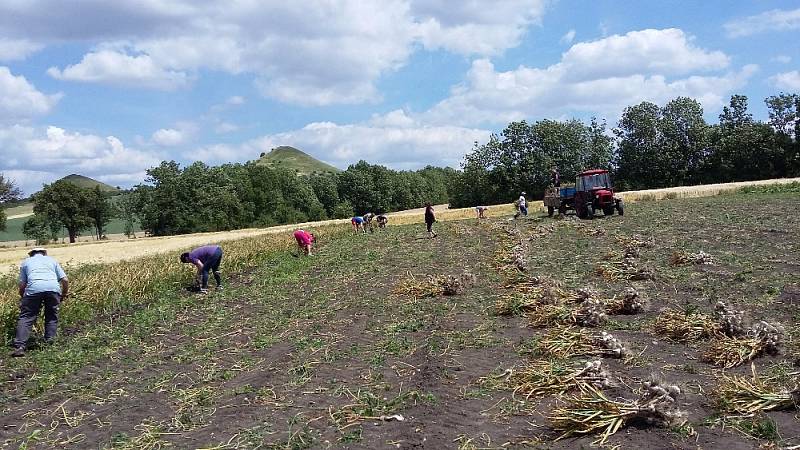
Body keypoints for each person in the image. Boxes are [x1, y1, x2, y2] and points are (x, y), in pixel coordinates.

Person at [12, 247, 69, 357]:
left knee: (27, 317)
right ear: (44, 253)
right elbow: (65, 280)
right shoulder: (52, 260)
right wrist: (64, 294)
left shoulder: (26, 262)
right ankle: (49, 343)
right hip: (53, 289)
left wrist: (23, 297)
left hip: (33, 289)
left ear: (31, 254)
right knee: (52, 316)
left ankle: (20, 346)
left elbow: (22, 285)